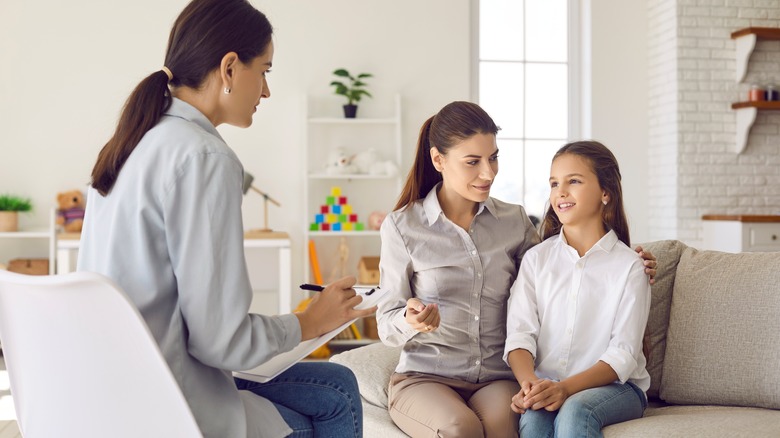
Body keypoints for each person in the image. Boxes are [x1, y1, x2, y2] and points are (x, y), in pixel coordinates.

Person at [77, 1, 374, 437]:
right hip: (171, 405)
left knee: (335, 384)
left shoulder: (133, 142)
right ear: (230, 68)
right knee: (339, 399)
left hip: (113, 390)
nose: (267, 91)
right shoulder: (205, 155)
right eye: (265, 70)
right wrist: (311, 321)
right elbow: (221, 341)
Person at [377, 102, 657, 437]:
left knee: (507, 426)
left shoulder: (514, 222)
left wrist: (630, 260)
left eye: (493, 158)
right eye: (473, 162)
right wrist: (409, 319)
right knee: (460, 428)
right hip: (427, 375)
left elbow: (562, 269)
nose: (489, 173)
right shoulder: (403, 226)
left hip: (496, 378)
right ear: (439, 160)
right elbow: (385, 321)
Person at [505, 140, 651, 437]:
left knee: (575, 409)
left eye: (574, 181)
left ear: (605, 193)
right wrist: (530, 386)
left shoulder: (630, 267)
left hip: (619, 388)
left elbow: (622, 355)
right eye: (554, 183)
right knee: (533, 420)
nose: (560, 191)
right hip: (547, 384)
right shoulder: (536, 260)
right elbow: (520, 334)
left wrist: (564, 389)